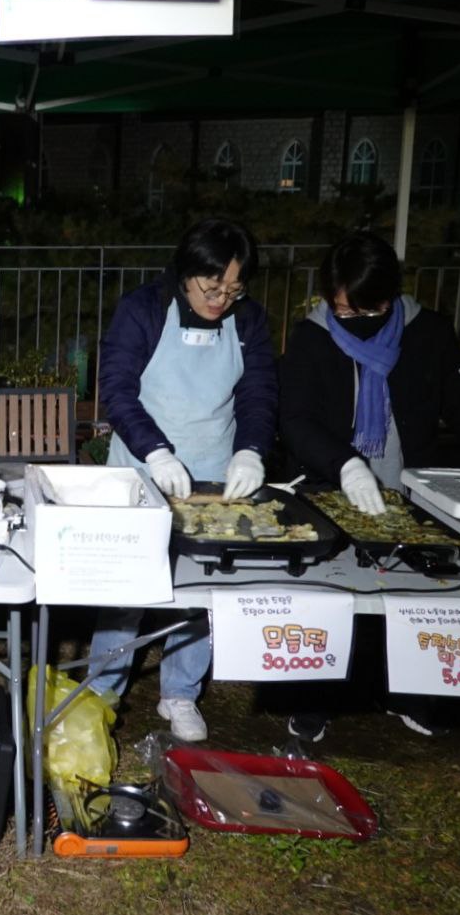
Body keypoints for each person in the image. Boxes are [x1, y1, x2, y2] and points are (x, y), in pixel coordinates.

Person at [278, 232, 460, 739]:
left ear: (389, 296)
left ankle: (407, 691)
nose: (352, 318)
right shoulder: (311, 337)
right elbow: (296, 419)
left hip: (407, 486)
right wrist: (345, 464)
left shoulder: (427, 332)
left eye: (366, 309)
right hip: (330, 485)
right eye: (343, 309)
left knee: (411, 596)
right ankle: (314, 696)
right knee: (330, 595)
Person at [90, 218, 278, 741]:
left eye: (233, 289)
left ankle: (180, 692)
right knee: (126, 587)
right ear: (185, 272)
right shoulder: (144, 309)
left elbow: (259, 391)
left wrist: (251, 451)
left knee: (200, 588)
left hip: (214, 473)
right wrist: (155, 450)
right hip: (141, 465)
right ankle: (102, 688)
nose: (221, 300)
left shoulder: (248, 320)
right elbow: (117, 388)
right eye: (211, 287)